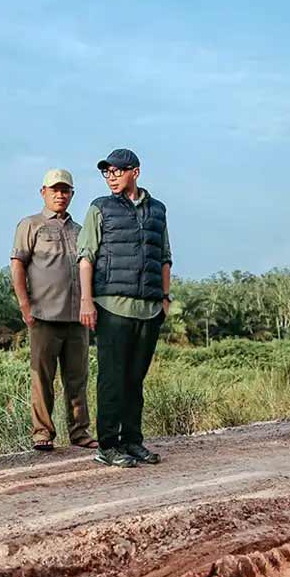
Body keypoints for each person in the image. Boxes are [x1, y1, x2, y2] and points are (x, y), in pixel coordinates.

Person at [78, 148, 172, 468]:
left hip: (149, 309)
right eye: (107, 172)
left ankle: (133, 441)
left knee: (135, 379)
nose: (111, 177)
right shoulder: (99, 208)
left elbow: (164, 257)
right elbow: (86, 257)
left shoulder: (157, 210)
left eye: (117, 171)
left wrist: (165, 297)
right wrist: (86, 301)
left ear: (135, 172)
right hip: (112, 306)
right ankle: (108, 444)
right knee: (112, 379)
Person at [10, 169, 98, 452]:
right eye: (55, 190)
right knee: (42, 379)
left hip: (77, 317)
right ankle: (42, 433)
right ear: (43, 192)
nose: (60, 195)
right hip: (43, 316)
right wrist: (25, 305)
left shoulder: (80, 231)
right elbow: (17, 265)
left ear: (72, 194)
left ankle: (80, 433)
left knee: (78, 379)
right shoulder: (30, 225)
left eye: (66, 190)